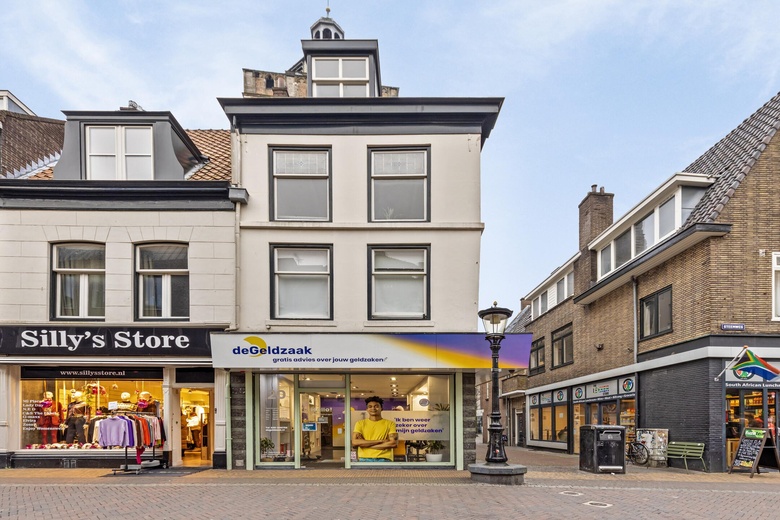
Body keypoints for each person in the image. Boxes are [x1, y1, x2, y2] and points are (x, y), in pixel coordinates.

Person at [352, 396, 397, 462]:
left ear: (381, 408)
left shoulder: (390, 424)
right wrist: (381, 441)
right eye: (370, 406)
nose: (373, 408)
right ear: (367, 409)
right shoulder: (360, 424)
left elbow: (393, 443)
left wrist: (365, 445)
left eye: (376, 406)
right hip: (364, 459)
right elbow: (355, 442)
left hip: (384, 459)